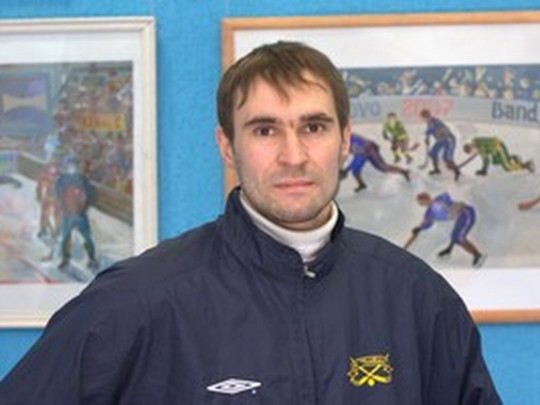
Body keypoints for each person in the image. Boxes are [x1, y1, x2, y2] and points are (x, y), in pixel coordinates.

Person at [0, 41, 500, 404]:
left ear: (345, 139)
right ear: (226, 145)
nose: (293, 155)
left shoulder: (417, 299)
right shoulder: (133, 304)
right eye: (265, 130)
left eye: (314, 126)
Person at [405, 192, 485, 267]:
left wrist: (445, 206)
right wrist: (419, 228)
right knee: (454, 236)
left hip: (466, 212)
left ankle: (478, 255)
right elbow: (428, 224)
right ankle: (449, 250)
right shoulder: (429, 213)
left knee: (459, 237)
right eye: (420, 203)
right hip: (460, 217)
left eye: (422, 201)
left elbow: (446, 197)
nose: (422, 204)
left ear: (427, 198)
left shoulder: (439, 199)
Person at [55, 156, 99, 271]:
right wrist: (63, 208)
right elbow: (58, 196)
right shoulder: (61, 180)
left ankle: (92, 258)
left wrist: (83, 209)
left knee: (86, 238)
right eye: (70, 165)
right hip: (67, 214)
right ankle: (65, 259)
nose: (72, 167)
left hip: (80, 214)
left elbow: (90, 196)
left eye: (74, 165)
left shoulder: (83, 180)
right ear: (66, 166)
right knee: (65, 237)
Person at [340, 133, 410, 192]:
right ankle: (362, 184)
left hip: (368, 148)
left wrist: (346, 169)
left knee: (382, 167)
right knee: (356, 170)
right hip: (364, 148)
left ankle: (404, 171)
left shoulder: (347, 140)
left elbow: (356, 157)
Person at [420, 109, 461, 180]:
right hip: (441, 140)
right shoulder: (429, 122)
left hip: (448, 139)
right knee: (432, 153)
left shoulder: (435, 121)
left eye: (425, 117)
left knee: (446, 157)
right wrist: (427, 138)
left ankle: (457, 172)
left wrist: (428, 133)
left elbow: (433, 128)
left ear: (428, 115)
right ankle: (436, 170)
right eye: (423, 117)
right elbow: (431, 130)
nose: (424, 119)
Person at [461, 136, 535, 176]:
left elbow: (486, 158)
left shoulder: (478, 144)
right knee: (495, 162)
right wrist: (483, 170)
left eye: (471, 150)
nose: (473, 152)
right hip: (495, 151)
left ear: (471, 146)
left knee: (508, 168)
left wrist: (484, 170)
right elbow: (485, 159)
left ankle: (526, 165)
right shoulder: (478, 147)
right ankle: (513, 157)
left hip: (498, 147)